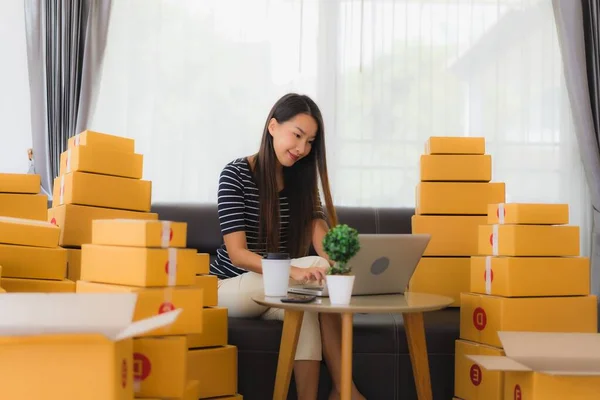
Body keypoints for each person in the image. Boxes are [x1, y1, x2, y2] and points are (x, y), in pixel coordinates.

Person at [210, 93, 366, 400]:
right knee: (312, 272)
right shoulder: (235, 174)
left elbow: (321, 239)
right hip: (230, 287)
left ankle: (336, 391)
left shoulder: (302, 183)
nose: (302, 149)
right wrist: (295, 270)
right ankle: (345, 391)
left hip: (279, 293)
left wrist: (341, 267)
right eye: (296, 135)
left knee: (306, 306)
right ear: (272, 127)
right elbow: (237, 254)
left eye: (309, 141)